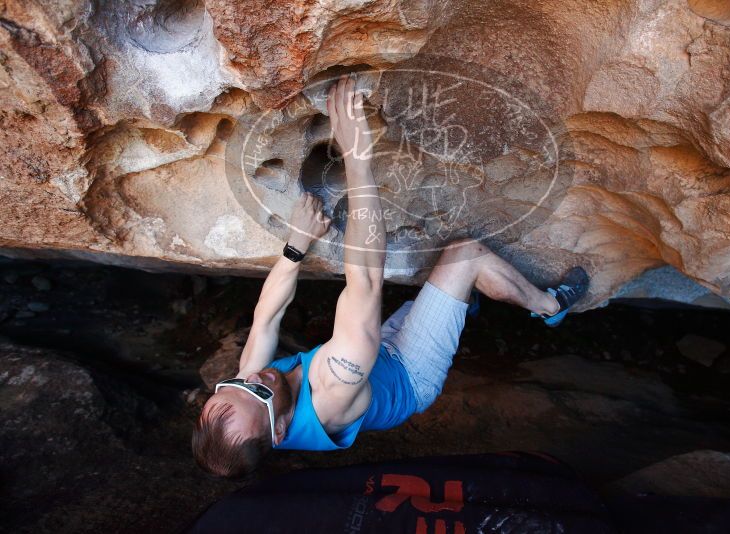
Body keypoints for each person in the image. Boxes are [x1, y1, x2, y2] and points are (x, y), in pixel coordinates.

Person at [192, 75, 590, 478]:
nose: (252, 377)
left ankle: (462, 308)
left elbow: (266, 319)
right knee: (463, 256)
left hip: (376, 351)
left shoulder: (247, 395)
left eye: (230, 386)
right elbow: (364, 280)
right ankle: (550, 306)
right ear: (279, 431)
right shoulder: (334, 387)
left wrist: (296, 246)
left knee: (430, 302)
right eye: (257, 390)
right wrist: (356, 158)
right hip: (409, 371)